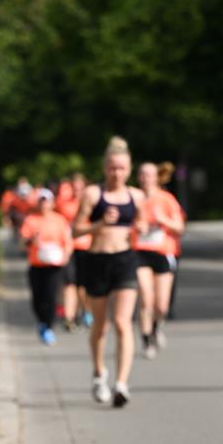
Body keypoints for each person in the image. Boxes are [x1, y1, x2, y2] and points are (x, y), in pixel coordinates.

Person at [73, 137, 146, 407]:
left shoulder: (136, 196)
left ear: (129, 169)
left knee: (123, 322)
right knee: (100, 326)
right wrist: (100, 224)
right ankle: (98, 373)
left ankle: (122, 384)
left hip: (125, 259)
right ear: (105, 168)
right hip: (97, 260)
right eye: (113, 168)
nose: (117, 173)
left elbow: (143, 224)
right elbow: (75, 230)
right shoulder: (93, 194)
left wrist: (142, 228)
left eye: (122, 168)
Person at [134, 162, 185, 358]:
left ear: (156, 177)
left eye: (150, 174)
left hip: (164, 252)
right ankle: (146, 340)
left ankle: (155, 327)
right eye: (143, 174)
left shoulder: (167, 199)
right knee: (146, 299)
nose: (146, 178)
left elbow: (180, 227)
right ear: (139, 177)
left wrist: (162, 220)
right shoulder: (135, 198)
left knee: (161, 305)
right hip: (139, 252)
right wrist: (137, 228)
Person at [20, 189, 73, 344]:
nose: (44, 204)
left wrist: (66, 257)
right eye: (41, 201)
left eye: (47, 201)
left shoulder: (60, 220)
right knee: (37, 298)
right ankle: (41, 321)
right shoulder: (30, 220)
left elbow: (67, 242)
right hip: (36, 264)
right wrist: (31, 241)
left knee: (51, 297)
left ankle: (48, 327)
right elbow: (22, 242)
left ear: (52, 203)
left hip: (54, 265)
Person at [56, 172, 93, 330]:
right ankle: (69, 317)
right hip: (69, 248)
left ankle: (85, 311)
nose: (77, 190)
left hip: (87, 247)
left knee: (83, 286)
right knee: (69, 283)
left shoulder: (90, 203)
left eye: (80, 187)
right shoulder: (64, 204)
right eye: (74, 187)